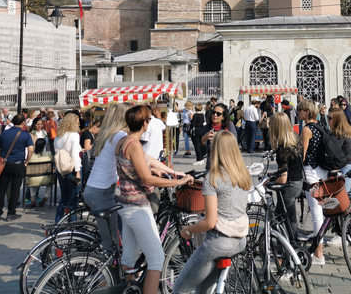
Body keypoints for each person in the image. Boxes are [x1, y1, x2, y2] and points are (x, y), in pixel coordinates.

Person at [116, 105, 192, 294]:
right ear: (144, 123)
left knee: (128, 258)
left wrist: (171, 171)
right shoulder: (133, 145)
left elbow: (147, 160)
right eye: (149, 120)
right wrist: (177, 182)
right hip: (137, 206)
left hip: (124, 204)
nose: (150, 123)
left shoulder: (125, 142)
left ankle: (129, 289)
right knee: (157, 258)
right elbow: (147, 178)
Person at [175, 130, 251, 294]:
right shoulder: (243, 174)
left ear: (214, 150)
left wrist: (188, 229)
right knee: (204, 290)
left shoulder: (213, 178)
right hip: (240, 240)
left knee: (179, 289)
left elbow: (210, 221)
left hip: (219, 243)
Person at [83, 103, 131, 252]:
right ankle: (108, 271)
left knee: (112, 235)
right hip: (102, 191)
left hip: (93, 189)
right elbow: (139, 158)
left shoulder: (108, 134)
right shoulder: (120, 136)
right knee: (111, 243)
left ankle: (113, 267)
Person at [299, 99, 328, 264]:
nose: (298, 112)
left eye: (301, 110)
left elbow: (302, 155)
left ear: (307, 112)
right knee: (321, 210)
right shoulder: (321, 126)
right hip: (323, 171)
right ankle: (318, 243)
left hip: (311, 172)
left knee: (316, 212)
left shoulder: (307, 129)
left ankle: (319, 254)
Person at [0, 116, 34, 221]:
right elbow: (31, 150)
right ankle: (11, 212)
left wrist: (0, 158)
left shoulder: (4, 133)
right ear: (23, 123)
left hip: (5, 164)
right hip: (18, 163)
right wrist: (27, 161)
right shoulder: (25, 134)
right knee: (15, 189)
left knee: (2, 188)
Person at [269, 112, 303, 241]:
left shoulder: (283, 148)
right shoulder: (295, 137)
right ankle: (279, 243)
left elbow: (282, 178)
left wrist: (270, 182)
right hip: (298, 182)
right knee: (278, 216)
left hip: (288, 186)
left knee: (289, 220)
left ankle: (293, 246)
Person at [53, 113, 82, 223]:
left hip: (61, 169)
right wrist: (78, 171)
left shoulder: (58, 135)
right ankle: (72, 222)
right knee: (73, 197)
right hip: (72, 169)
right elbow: (74, 154)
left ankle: (58, 222)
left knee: (64, 197)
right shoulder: (74, 135)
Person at [329, 108, 351, 195]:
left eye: (330, 118)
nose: (327, 120)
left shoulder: (340, 132)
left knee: (342, 197)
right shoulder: (347, 129)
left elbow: (334, 150)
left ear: (337, 120)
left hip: (349, 166)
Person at [200, 103, 236, 168]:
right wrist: (203, 139)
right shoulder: (206, 128)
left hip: (227, 165)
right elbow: (203, 153)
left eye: (218, 114)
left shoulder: (229, 126)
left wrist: (218, 138)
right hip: (212, 166)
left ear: (223, 117)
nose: (215, 115)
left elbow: (234, 145)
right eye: (213, 112)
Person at [26, 138, 52, 208]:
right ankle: (45, 197)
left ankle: (33, 199)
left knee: (32, 178)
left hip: (32, 179)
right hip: (45, 179)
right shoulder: (48, 154)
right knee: (51, 179)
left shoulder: (30, 155)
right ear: (44, 146)